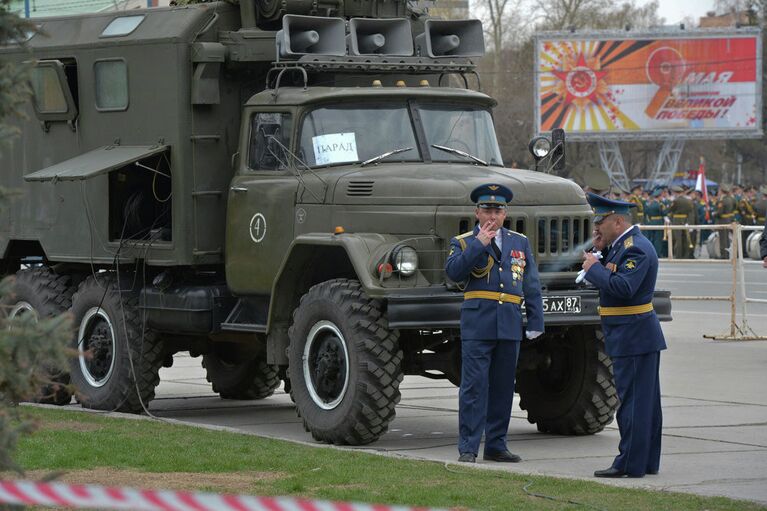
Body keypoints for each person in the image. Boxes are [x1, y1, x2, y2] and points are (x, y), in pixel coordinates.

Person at [445, 183, 544, 464]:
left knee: (503, 387)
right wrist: (479, 245)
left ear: (505, 214)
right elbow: (453, 273)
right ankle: (468, 446)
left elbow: (531, 283)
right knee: (474, 387)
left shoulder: (519, 241)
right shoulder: (463, 241)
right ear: (477, 212)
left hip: (509, 323)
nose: (492, 215)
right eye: (487, 209)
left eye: (497, 210)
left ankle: (496, 445)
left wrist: (535, 320)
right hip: (479, 323)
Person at [581, 193, 666, 478]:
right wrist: (600, 253)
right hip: (632, 335)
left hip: (633, 335)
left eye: (601, 221)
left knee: (633, 405)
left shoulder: (636, 249)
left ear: (618, 222)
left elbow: (624, 288)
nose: (597, 227)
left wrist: (594, 269)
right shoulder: (620, 246)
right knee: (645, 404)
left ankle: (629, 463)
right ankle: (646, 461)